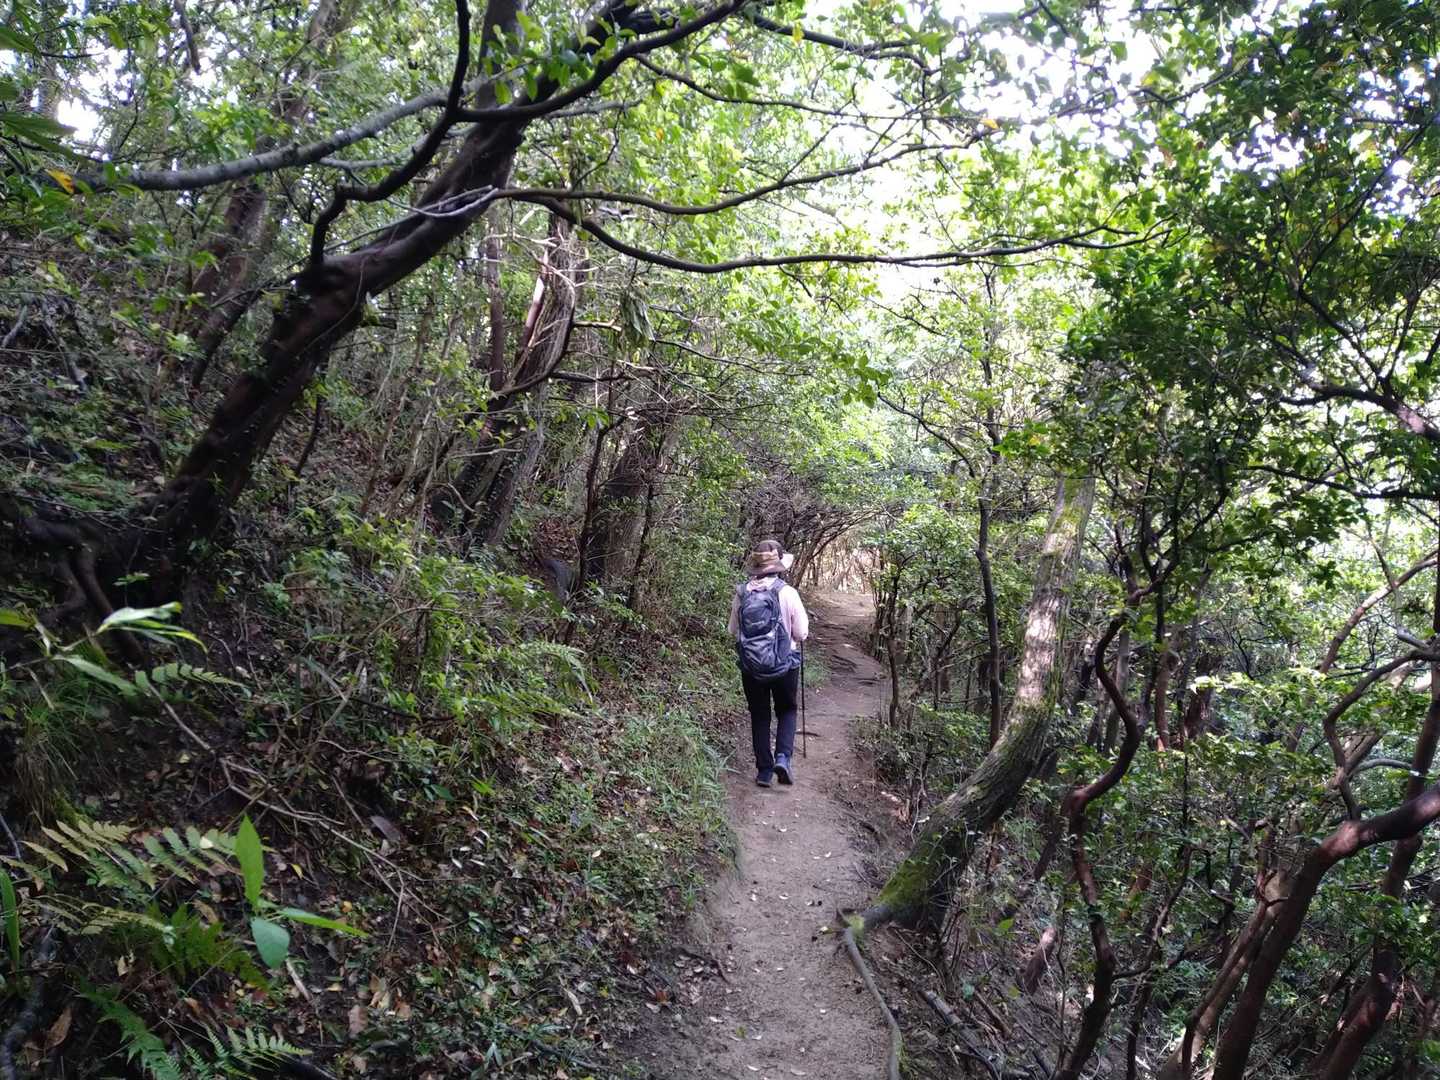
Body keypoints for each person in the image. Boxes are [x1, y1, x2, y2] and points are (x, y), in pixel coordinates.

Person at [728, 540, 810, 787]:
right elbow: (801, 633)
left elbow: (733, 630)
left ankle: (764, 771)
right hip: (784, 664)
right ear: (778, 566)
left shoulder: (742, 593)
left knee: (759, 715)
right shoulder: (788, 593)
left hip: (751, 667)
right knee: (787, 710)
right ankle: (783, 758)